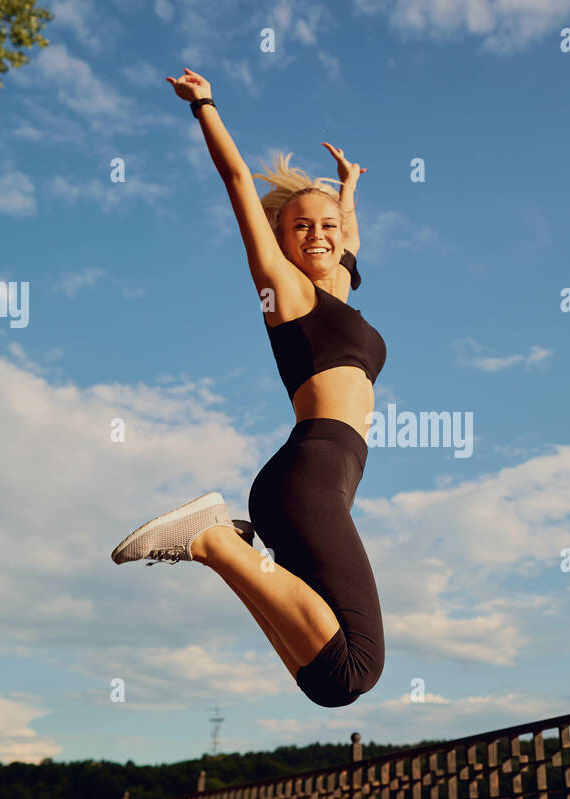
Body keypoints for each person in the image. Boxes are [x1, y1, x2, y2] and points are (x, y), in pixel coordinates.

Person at [111, 68, 386, 708]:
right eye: (300, 228)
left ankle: (230, 543)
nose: (319, 235)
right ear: (281, 242)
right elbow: (238, 182)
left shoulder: (338, 295)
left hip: (322, 481)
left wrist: (345, 191)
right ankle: (211, 540)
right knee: (356, 666)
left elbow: (348, 237)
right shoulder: (286, 294)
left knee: (331, 681)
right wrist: (205, 106)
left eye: (328, 227)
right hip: (310, 474)